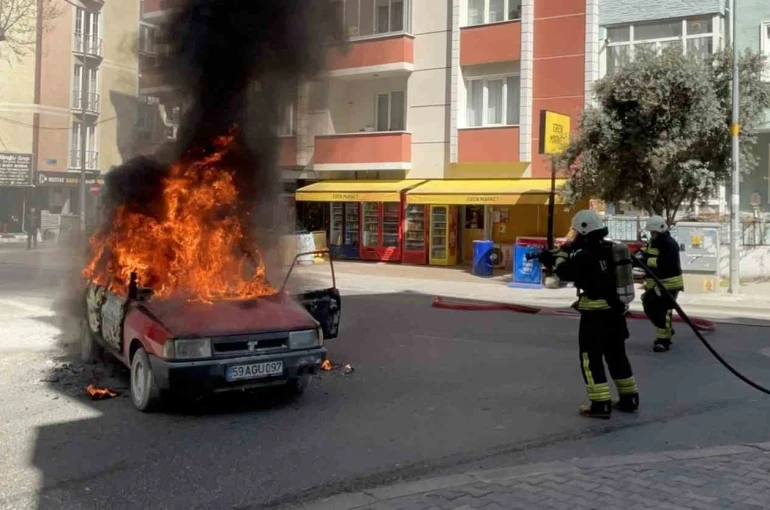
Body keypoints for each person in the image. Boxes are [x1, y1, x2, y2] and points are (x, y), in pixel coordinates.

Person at [541, 210, 639, 419]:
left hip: (595, 316)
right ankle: (629, 398)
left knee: (590, 358)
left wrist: (557, 257)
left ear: (584, 230)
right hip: (616, 313)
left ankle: (600, 404)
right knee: (617, 356)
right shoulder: (610, 250)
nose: (574, 236)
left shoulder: (586, 255)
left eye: (576, 232)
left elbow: (564, 273)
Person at [640, 216, 684, 353]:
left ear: (659, 230)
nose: (651, 234)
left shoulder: (669, 244)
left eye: (652, 232)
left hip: (668, 284)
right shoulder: (654, 242)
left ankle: (663, 341)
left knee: (662, 312)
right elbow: (646, 253)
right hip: (656, 284)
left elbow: (667, 265)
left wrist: (645, 261)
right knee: (648, 305)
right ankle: (667, 331)